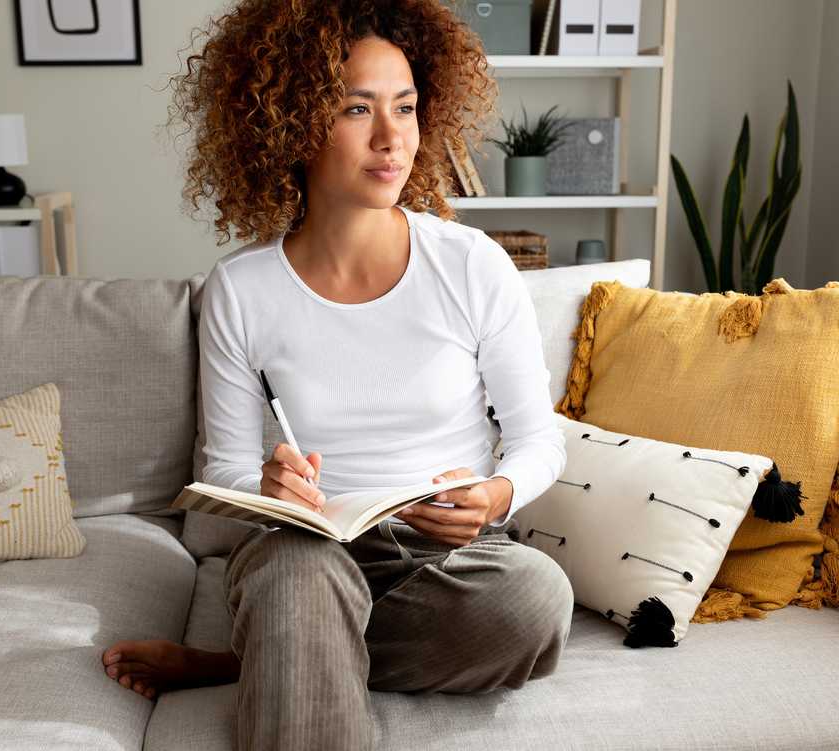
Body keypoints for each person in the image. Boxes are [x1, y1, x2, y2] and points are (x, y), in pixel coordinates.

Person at [102, 1, 574, 748]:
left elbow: (539, 441)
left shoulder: (472, 265)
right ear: (291, 124)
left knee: (536, 598)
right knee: (299, 579)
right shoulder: (242, 289)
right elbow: (222, 468)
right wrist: (269, 487)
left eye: (407, 107)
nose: (393, 139)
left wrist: (492, 495)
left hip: (445, 559)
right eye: (358, 108)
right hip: (306, 549)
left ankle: (245, 661)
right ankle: (288, 645)